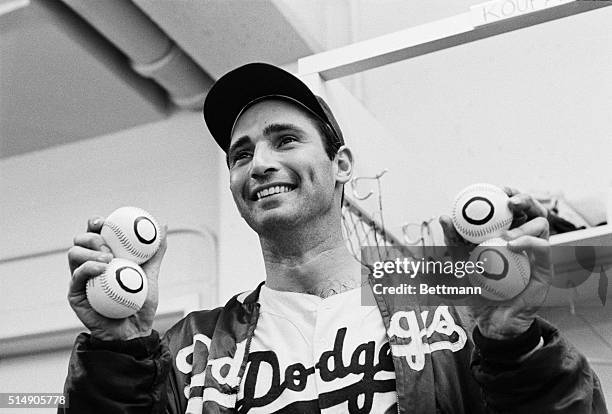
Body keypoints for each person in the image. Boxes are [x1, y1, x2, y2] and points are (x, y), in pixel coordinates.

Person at [61, 63, 607, 414]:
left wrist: (515, 345)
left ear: (341, 163)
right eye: (242, 154)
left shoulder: (453, 311)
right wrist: (117, 354)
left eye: (285, 140)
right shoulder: (190, 351)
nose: (260, 164)